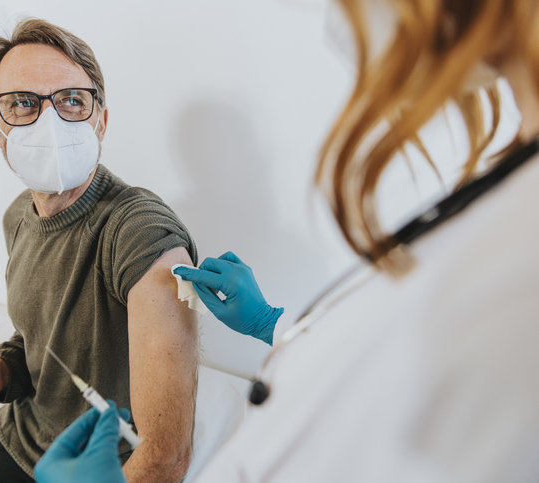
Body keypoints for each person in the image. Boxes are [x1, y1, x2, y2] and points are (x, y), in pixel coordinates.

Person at [34, 0, 539, 481]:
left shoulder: (516, 271)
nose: (337, 21)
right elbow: (391, 379)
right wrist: (273, 325)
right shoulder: (511, 190)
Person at [0, 19, 199, 483]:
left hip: (102, 462)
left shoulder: (140, 232)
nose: (49, 121)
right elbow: (38, 338)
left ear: (101, 120)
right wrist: (5, 370)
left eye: (72, 100)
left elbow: (166, 455)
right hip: (21, 433)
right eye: (22, 103)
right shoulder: (18, 217)